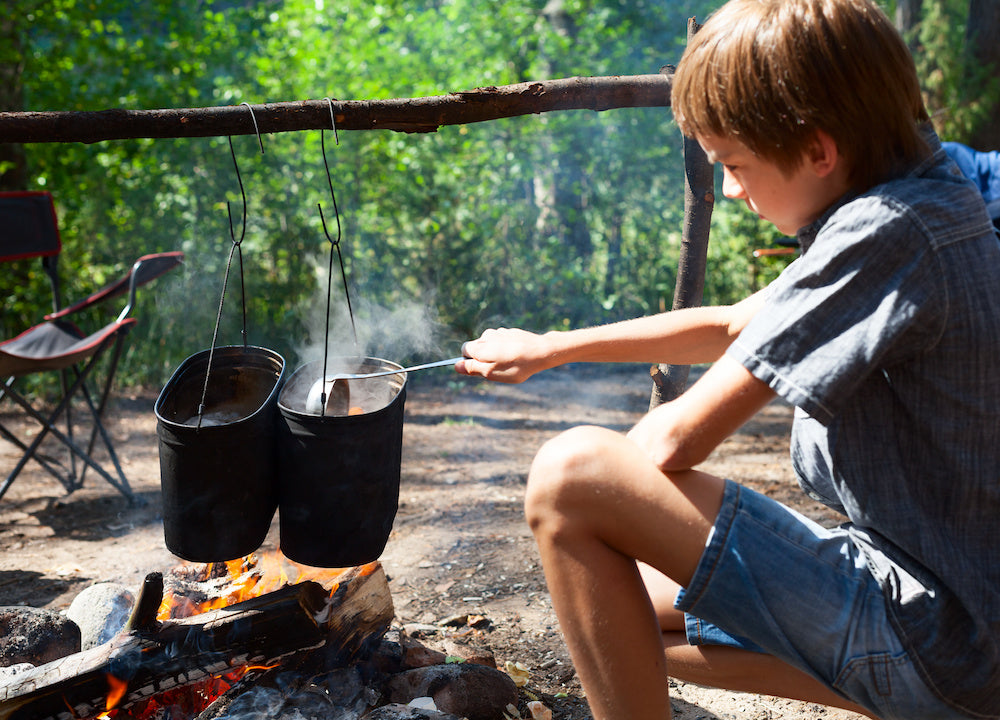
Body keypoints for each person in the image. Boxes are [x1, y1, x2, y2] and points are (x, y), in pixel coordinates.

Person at [456, 0, 1000, 718]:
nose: (735, 191)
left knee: (571, 478)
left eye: (735, 164)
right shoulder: (926, 195)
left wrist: (624, 491)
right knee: (624, 602)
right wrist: (551, 349)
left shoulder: (888, 233)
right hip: (962, 624)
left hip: (944, 636)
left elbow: (675, 442)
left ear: (816, 149)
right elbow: (737, 324)